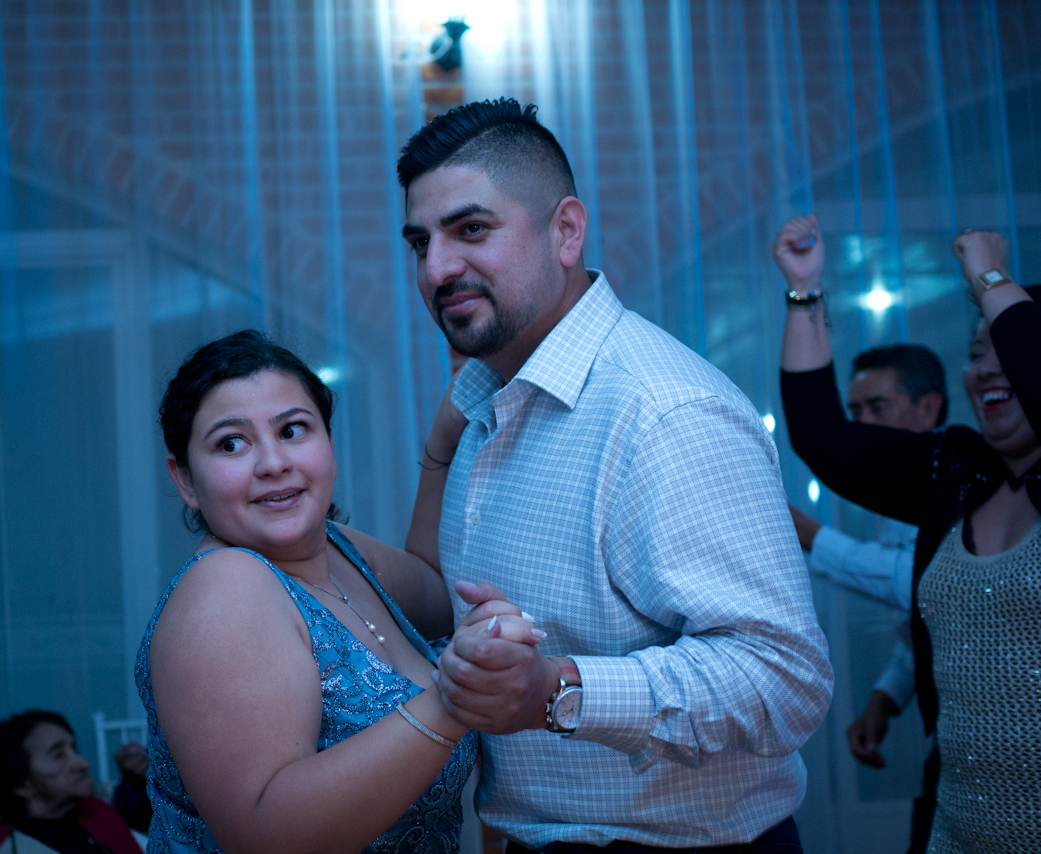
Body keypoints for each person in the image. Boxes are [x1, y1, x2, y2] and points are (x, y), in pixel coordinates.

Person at [396, 97, 833, 852]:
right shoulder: (489, 402)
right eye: (419, 242)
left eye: (471, 230)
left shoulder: (665, 410)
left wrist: (557, 690)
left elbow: (785, 678)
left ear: (566, 231)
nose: (437, 269)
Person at [139, 330, 539, 854]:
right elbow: (266, 836)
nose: (273, 463)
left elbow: (437, 591)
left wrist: (442, 443)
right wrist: (452, 699)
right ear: (186, 480)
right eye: (231, 443)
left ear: (328, 444)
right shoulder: (226, 587)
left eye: (292, 430)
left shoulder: (337, 548)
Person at [776, 216, 1040, 853]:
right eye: (975, 354)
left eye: (1006, 351)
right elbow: (822, 437)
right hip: (955, 829)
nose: (987, 370)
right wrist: (804, 292)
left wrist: (988, 276)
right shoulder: (959, 469)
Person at [778, 338, 948, 852]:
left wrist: (814, 536)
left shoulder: (962, 481)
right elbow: (938, 620)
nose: (863, 425)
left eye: (878, 407)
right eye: (854, 413)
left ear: (929, 409)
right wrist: (885, 697)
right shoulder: (896, 491)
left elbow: (921, 582)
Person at [0, 711, 141, 854]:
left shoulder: (100, 816)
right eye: (58, 755)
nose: (83, 763)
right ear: (20, 785)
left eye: (74, 749)